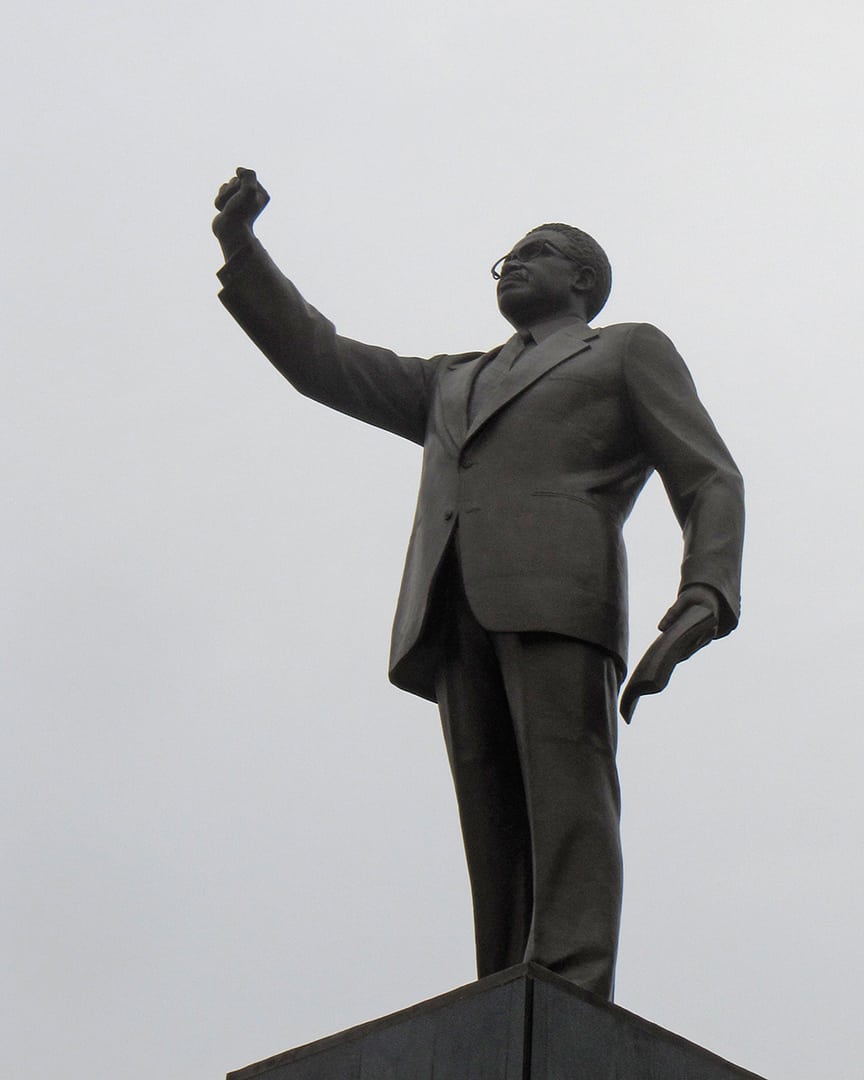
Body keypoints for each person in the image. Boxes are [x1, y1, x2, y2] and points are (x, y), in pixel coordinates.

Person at [212, 167, 744, 1001]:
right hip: (452, 603)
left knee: (568, 799)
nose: (512, 265)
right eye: (505, 257)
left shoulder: (628, 348)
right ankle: (504, 987)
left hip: (561, 594)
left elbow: (710, 477)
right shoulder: (448, 381)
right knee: (491, 821)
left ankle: (569, 985)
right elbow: (322, 361)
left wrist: (704, 595)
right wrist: (242, 250)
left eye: (536, 253)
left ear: (583, 280)